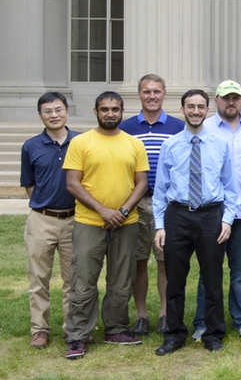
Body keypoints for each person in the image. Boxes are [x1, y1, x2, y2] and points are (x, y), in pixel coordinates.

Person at [152, 89, 240, 355]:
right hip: (177, 216)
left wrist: (227, 220)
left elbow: (231, 188)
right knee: (175, 279)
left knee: (212, 279)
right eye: (190, 106)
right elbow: (160, 190)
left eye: (200, 107)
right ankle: (174, 334)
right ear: (182, 109)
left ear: (207, 110)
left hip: (210, 216)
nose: (196, 111)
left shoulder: (220, 144)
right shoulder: (170, 145)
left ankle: (213, 334)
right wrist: (160, 225)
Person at [62, 91, 149, 360]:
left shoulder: (134, 144)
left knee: (122, 279)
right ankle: (78, 335)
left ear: (122, 111)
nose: (110, 113)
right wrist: (102, 210)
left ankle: (116, 328)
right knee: (83, 279)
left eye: (115, 109)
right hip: (89, 222)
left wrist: (122, 211)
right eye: (104, 109)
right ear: (96, 112)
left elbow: (142, 183)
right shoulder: (81, 142)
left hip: (127, 222)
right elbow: (73, 183)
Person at [193, 80, 241, 339]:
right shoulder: (203, 128)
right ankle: (204, 322)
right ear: (215, 100)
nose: (231, 102)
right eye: (225, 98)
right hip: (212, 213)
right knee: (209, 271)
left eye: (235, 98)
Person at [120, 74, 185, 336]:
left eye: (157, 91)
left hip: (166, 205)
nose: (152, 96)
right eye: (147, 91)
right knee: (138, 261)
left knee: (164, 261)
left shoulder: (177, 127)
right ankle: (142, 315)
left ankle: (164, 314)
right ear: (139, 94)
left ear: (164, 94)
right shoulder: (125, 128)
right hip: (135, 203)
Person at [21, 92, 78, 349]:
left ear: (66, 111)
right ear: (40, 115)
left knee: (73, 278)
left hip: (74, 219)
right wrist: (46, 206)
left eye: (58, 109)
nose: (53, 115)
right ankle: (40, 329)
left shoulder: (82, 141)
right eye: (48, 111)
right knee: (38, 279)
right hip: (41, 220)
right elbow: (29, 185)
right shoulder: (31, 146)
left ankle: (72, 327)